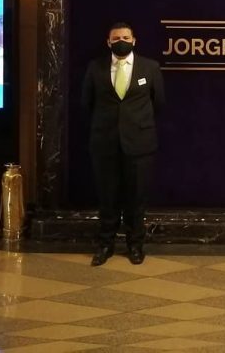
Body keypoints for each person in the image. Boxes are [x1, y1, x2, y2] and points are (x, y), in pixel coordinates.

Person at [82, 22, 164, 266]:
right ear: (108, 42)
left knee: (136, 199)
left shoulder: (150, 67)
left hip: (139, 145)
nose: (121, 41)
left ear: (134, 40)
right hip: (104, 144)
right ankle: (105, 245)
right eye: (116, 38)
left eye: (126, 37)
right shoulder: (95, 67)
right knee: (107, 198)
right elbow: (86, 103)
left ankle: (135, 246)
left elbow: (159, 102)